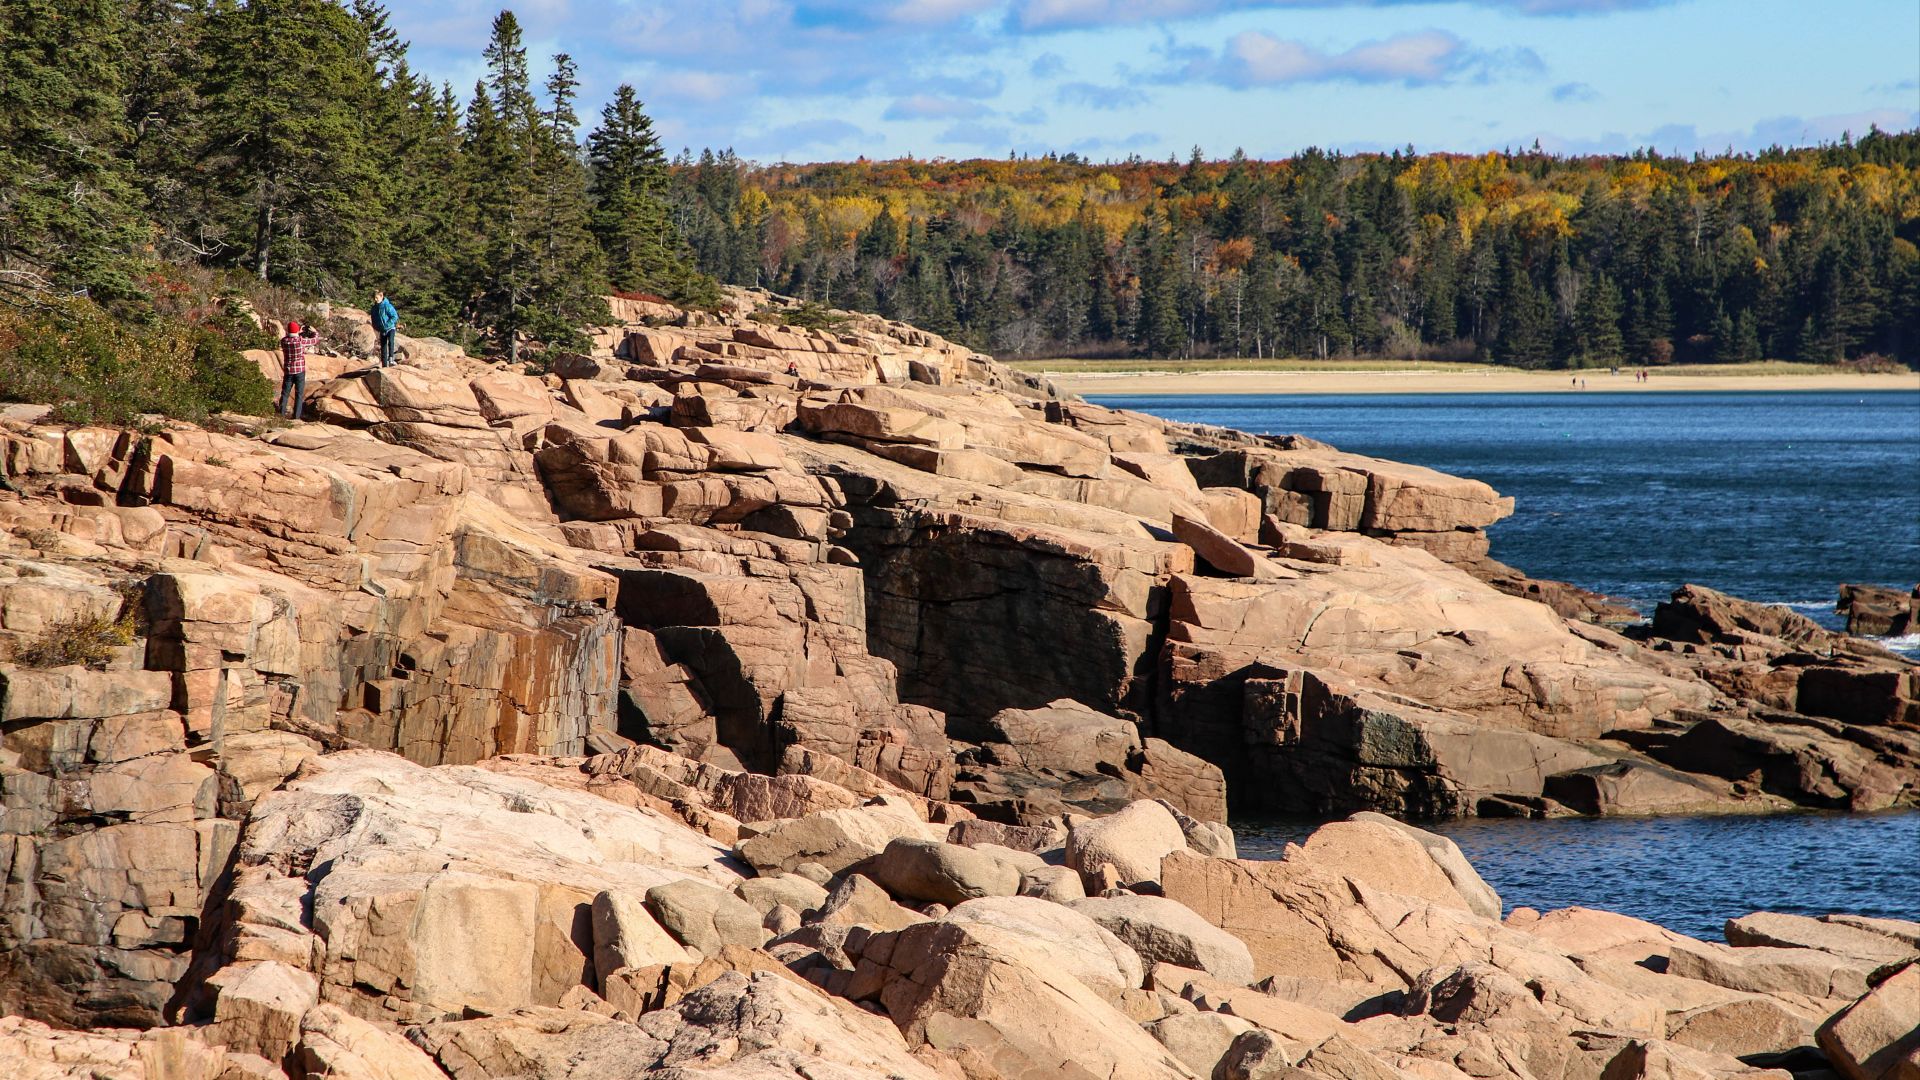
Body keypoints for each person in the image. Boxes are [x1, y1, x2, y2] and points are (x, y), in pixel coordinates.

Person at [278, 320, 318, 420]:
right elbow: (315, 340)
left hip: (288, 371)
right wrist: (314, 331)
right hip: (299, 370)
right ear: (297, 331)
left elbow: (290, 337)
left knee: (285, 394)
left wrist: (298, 332)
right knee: (299, 395)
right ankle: (296, 417)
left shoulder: (284, 341)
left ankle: (280, 416)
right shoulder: (301, 341)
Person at [370, 290, 399, 368]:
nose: (375, 299)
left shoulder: (387, 306)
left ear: (381, 296)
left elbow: (394, 316)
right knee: (383, 347)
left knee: (391, 341)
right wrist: (377, 328)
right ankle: (384, 365)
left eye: (377, 298)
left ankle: (391, 360)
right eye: (374, 298)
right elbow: (374, 320)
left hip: (390, 328)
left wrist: (387, 325)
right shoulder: (374, 308)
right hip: (382, 330)